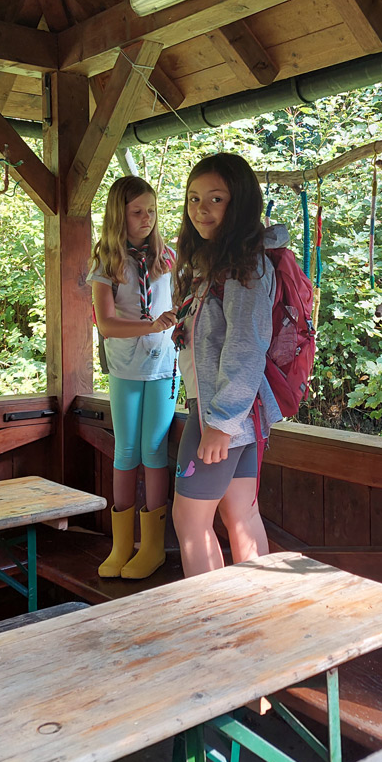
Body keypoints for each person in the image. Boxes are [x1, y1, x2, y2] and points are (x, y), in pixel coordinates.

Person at [170, 153, 285, 576]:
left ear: (239, 202)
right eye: (194, 198)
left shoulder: (243, 266)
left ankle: (209, 615)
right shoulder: (216, 263)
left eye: (215, 199)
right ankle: (258, 610)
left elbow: (246, 346)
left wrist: (220, 423)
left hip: (221, 413)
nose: (201, 209)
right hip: (241, 412)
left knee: (190, 520)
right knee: (241, 513)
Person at [90, 176, 179, 580]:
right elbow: (106, 324)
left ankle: (152, 547)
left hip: (162, 367)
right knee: (126, 453)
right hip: (125, 366)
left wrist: (174, 322)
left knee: (153, 451)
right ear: (118, 215)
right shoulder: (107, 263)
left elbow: (185, 302)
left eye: (151, 211)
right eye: (137, 212)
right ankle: (121, 545)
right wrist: (150, 325)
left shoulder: (169, 259)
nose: (147, 218)